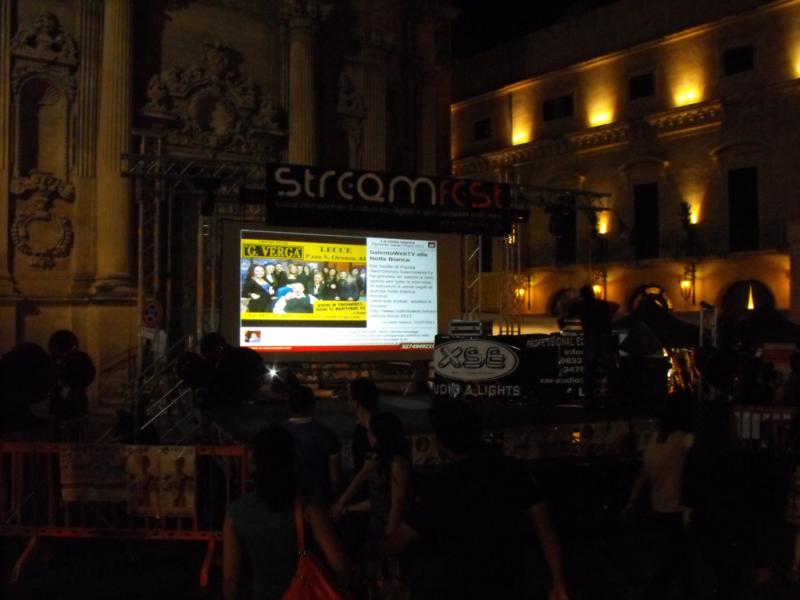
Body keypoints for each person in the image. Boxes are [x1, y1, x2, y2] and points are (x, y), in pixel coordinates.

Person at [372, 400, 569, 600]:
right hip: (509, 583)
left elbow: (401, 539)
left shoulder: (441, 485)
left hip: (462, 587)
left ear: (442, 443)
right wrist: (558, 581)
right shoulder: (513, 470)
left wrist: (372, 551)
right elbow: (545, 528)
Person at [224, 426, 348, 600]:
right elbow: (339, 563)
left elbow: (230, 579)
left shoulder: (236, 513)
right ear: (291, 460)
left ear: (255, 461)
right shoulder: (308, 508)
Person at [624, 391, 694, 599]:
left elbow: (644, 474)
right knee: (677, 561)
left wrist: (632, 501)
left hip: (659, 505)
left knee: (677, 560)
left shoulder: (656, 440)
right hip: (679, 509)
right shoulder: (685, 440)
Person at [282, 385, 343, 508]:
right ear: (312, 404)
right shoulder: (327, 435)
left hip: (288, 500)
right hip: (320, 501)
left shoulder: (278, 434)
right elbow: (335, 478)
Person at [562, 285, 619, 407]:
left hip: (591, 336)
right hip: (605, 335)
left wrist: (575, 299)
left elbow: (566, 308)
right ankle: (613, 395)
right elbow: (615, 306)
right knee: (609, 366)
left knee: (589, 366)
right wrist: (610, 317)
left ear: (582, 295)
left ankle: (589, 396)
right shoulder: (601, 303)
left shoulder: (582, 305)